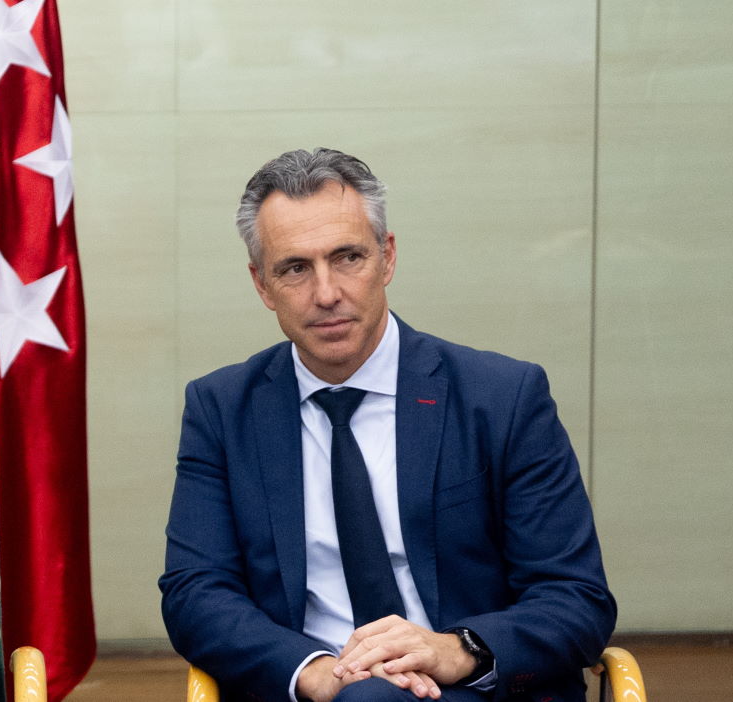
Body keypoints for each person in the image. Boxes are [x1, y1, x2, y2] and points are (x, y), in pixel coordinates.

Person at [159, 148, 615, 702]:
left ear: (387, 257)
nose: (326, 294)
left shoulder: (501, 398)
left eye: (348, 257)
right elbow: (195, 592)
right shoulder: (222, 409)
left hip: (468, 689)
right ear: (261, 284)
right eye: (295, 268)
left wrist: (456, 649)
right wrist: (316, 672)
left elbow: (575, 597)